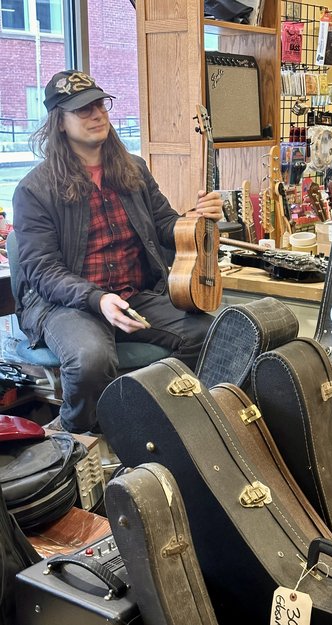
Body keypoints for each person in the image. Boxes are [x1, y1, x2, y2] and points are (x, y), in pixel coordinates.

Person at [12, 70, 223, 434]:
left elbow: (164, 225)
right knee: (90, 360)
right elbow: (43, 271)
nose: (96, 115)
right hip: (68, 305)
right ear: (59, 122)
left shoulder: (133, 170)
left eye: (99, 104)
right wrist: (99, 300)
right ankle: (74, 439)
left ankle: (156, 420)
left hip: (135, 295)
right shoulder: (35, 189)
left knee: (215, 332)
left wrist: (197, 219)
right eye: (82, 109)